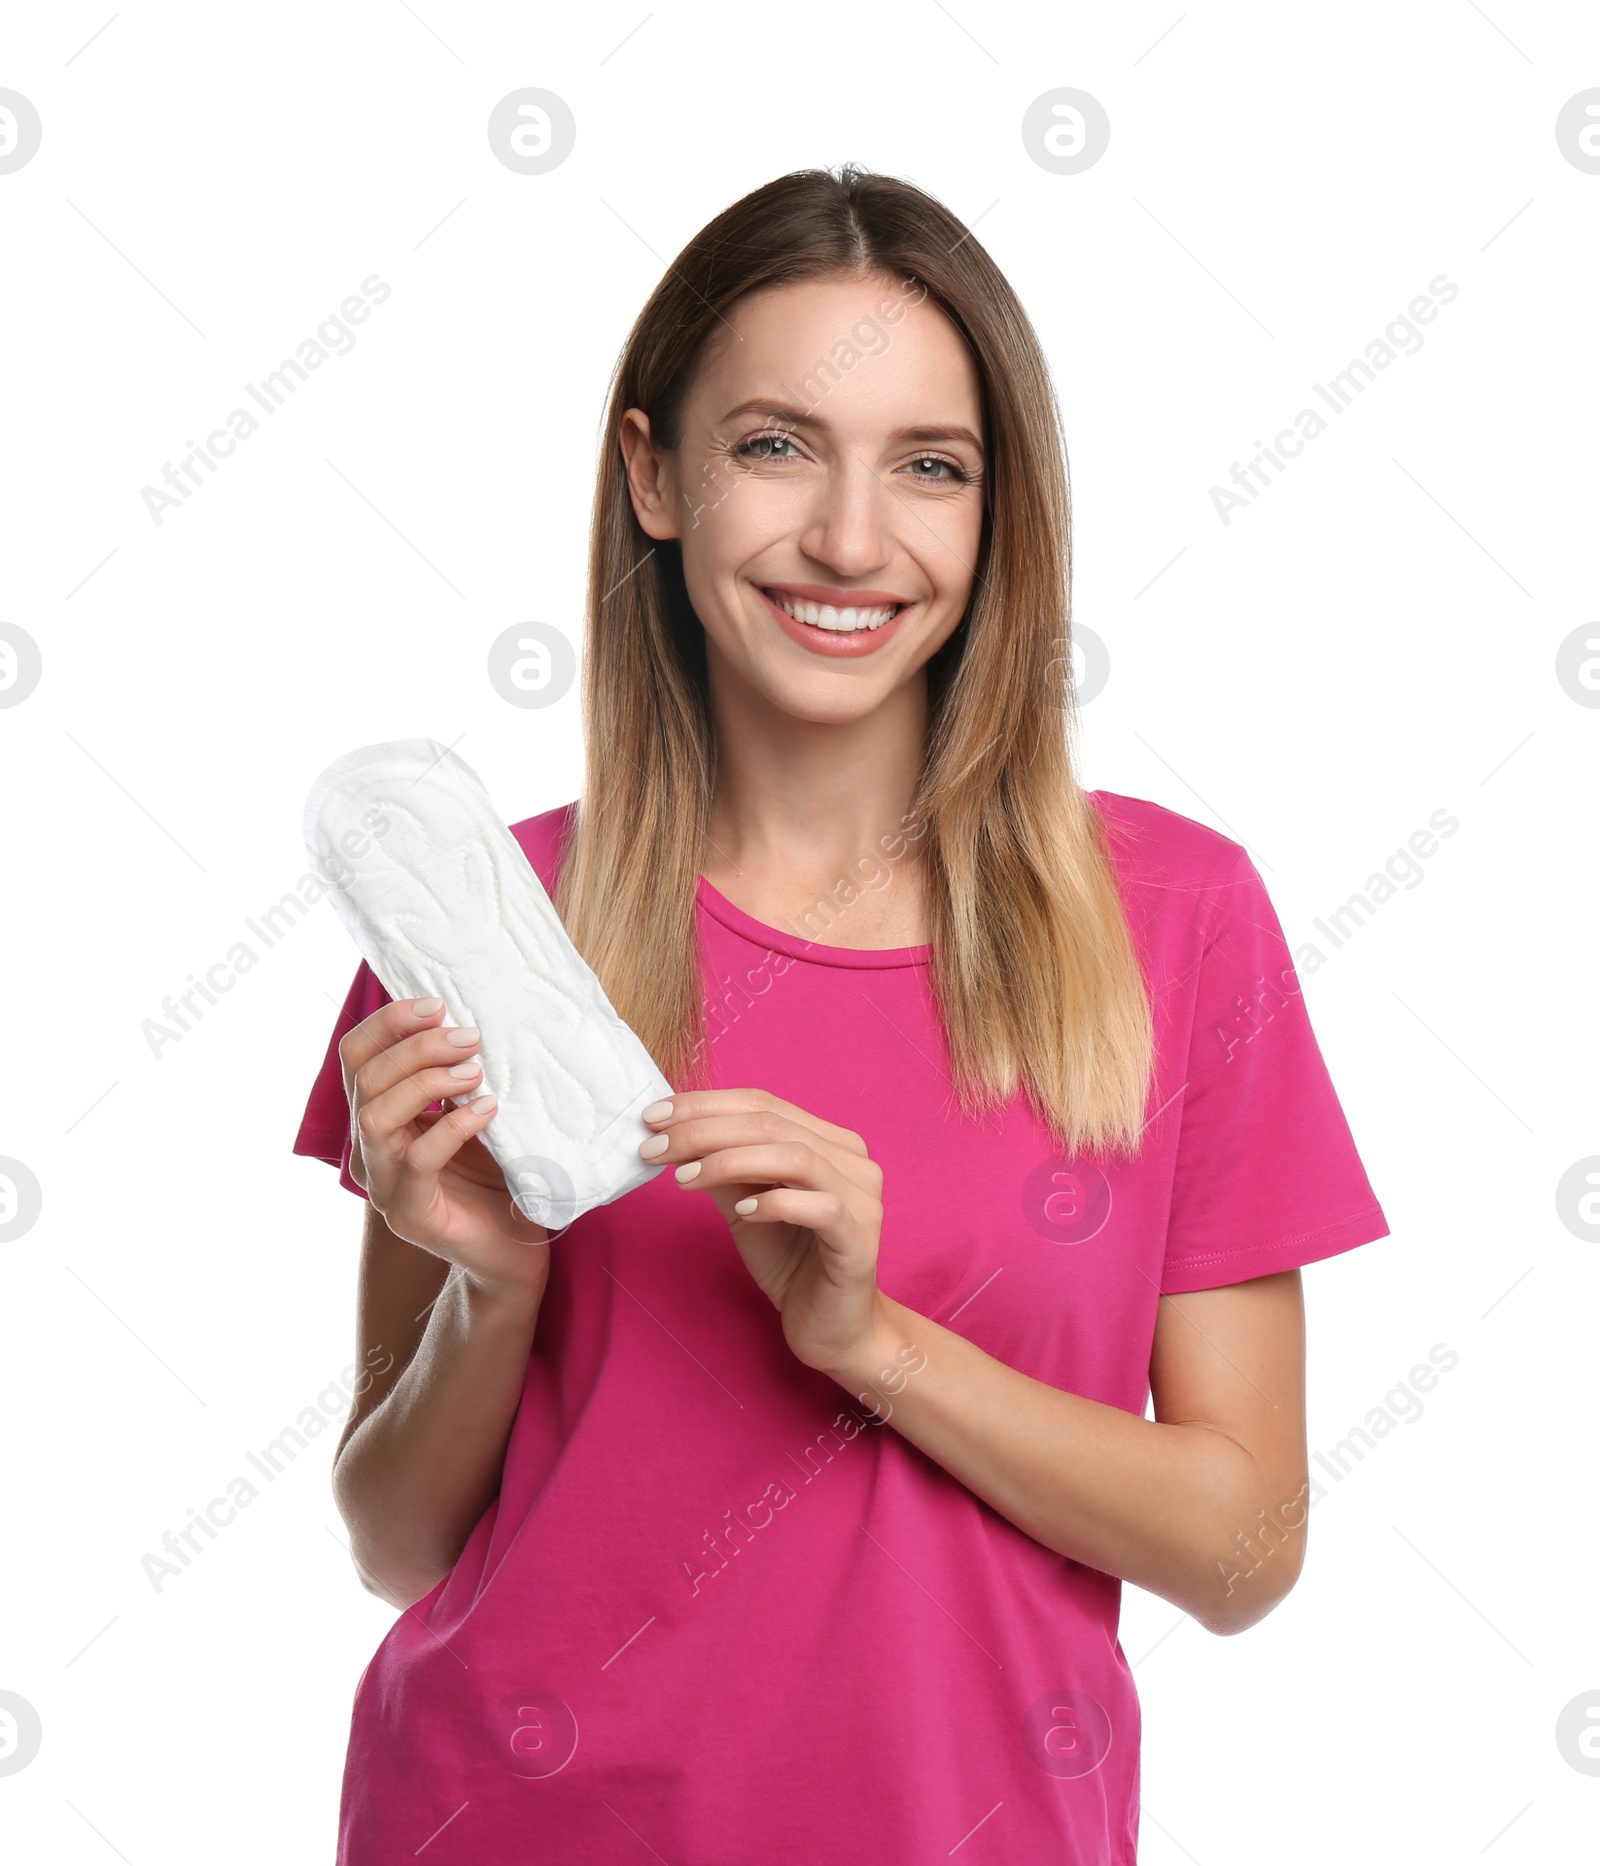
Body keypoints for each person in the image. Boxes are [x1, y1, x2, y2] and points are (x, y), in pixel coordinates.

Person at [293, 163, 1389, 1865]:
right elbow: (396, 1539)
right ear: (656, 474)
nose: (852, 541)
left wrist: (873, 1343)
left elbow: (1244, 1547)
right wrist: (491, 1289)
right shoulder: (490, 932)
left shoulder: (1174, 926)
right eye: (776, 445)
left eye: (930, 469)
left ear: (996, 510)